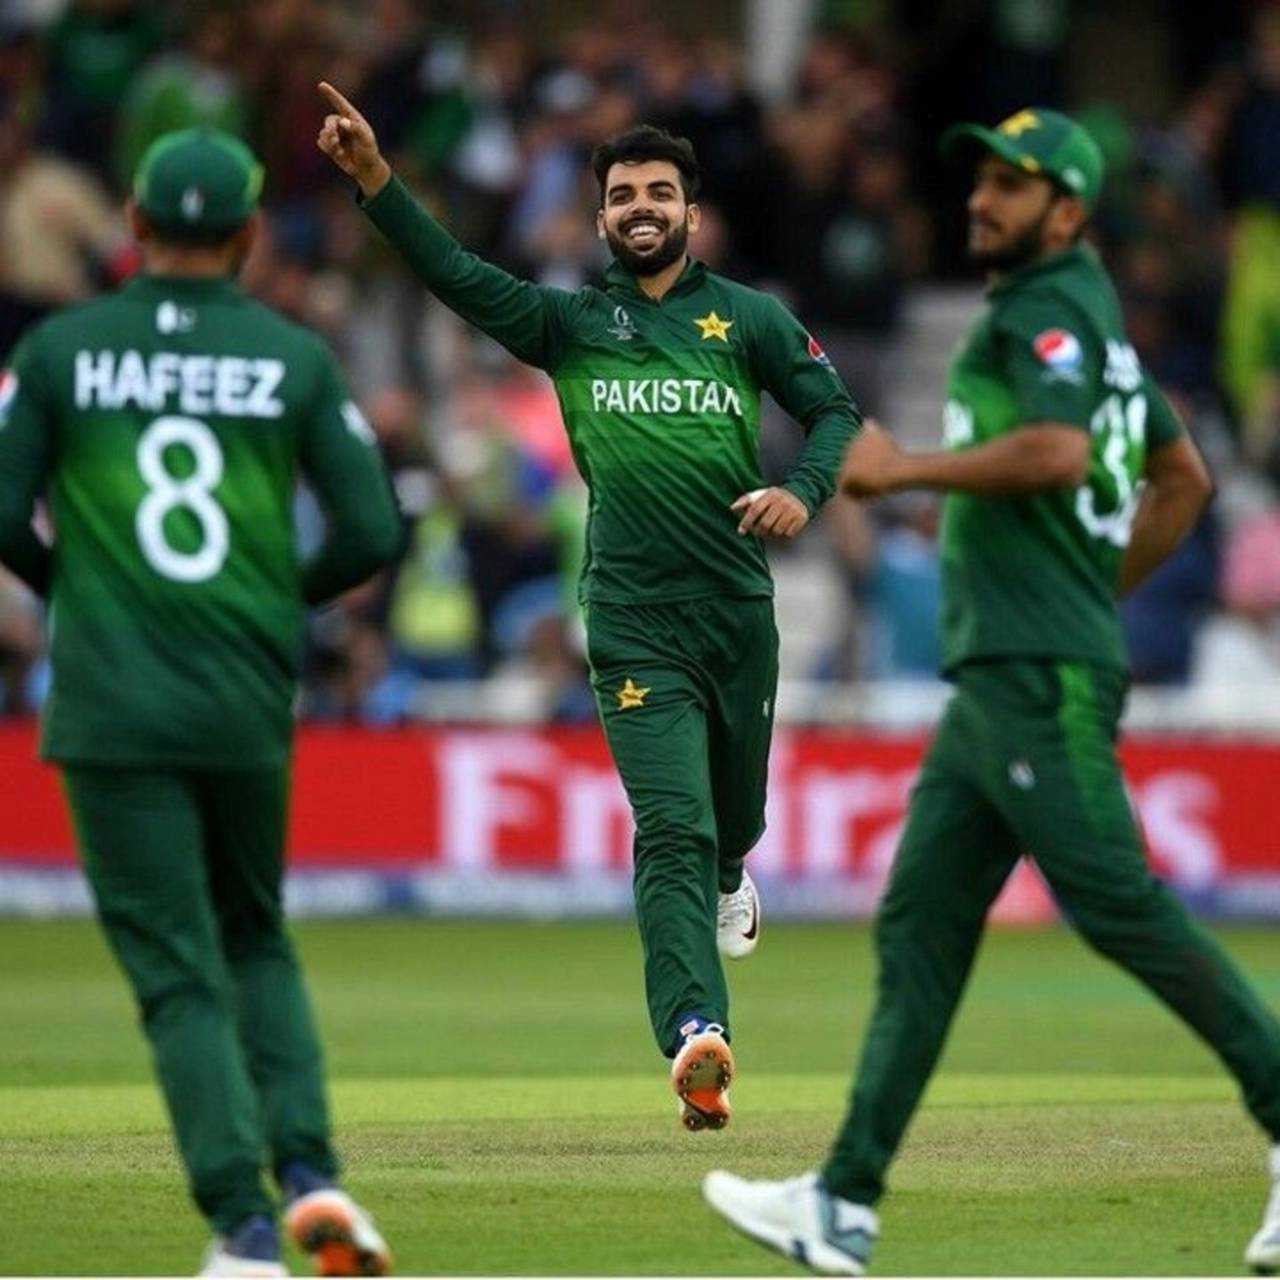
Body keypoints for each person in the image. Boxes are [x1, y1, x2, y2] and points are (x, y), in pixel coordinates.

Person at [702, 107, 1280, 1275]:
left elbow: (1062, 456)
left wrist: (901, 469)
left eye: (1011, 185)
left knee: (1120, 907)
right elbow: (1182, 474)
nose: (980, 198)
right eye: (977, 178)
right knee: (918, 927)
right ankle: (843, 1202)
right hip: (1002, 678)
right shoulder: (1097, 327)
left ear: (1065, 211)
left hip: (1031, 677)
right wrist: (1085, 584)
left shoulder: (1047, 308)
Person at [315, 82, 860, 1132]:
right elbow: (456, 276)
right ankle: (695, 1030)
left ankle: (734, 868)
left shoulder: (745, 319)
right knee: (669, 828)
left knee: (726, 825)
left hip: (735, 607)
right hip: (628, 617)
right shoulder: (569, 324)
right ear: (601, 216)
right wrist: (377, 182)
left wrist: (802, 489)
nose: (641, 206)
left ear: (689, 214)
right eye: (622, 194)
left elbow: (832, 409)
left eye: (660, 191)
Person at [0, 127, 402, 1277]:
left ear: (129, 225)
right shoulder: (293, 356)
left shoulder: (62, 347)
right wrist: (280, 604)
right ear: (245, 234)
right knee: (254, 937)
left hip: (115, 695)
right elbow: (373, 530)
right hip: (240, 688)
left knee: (177, 966)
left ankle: (242, 1224)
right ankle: (316, 1176)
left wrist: (69, 589)